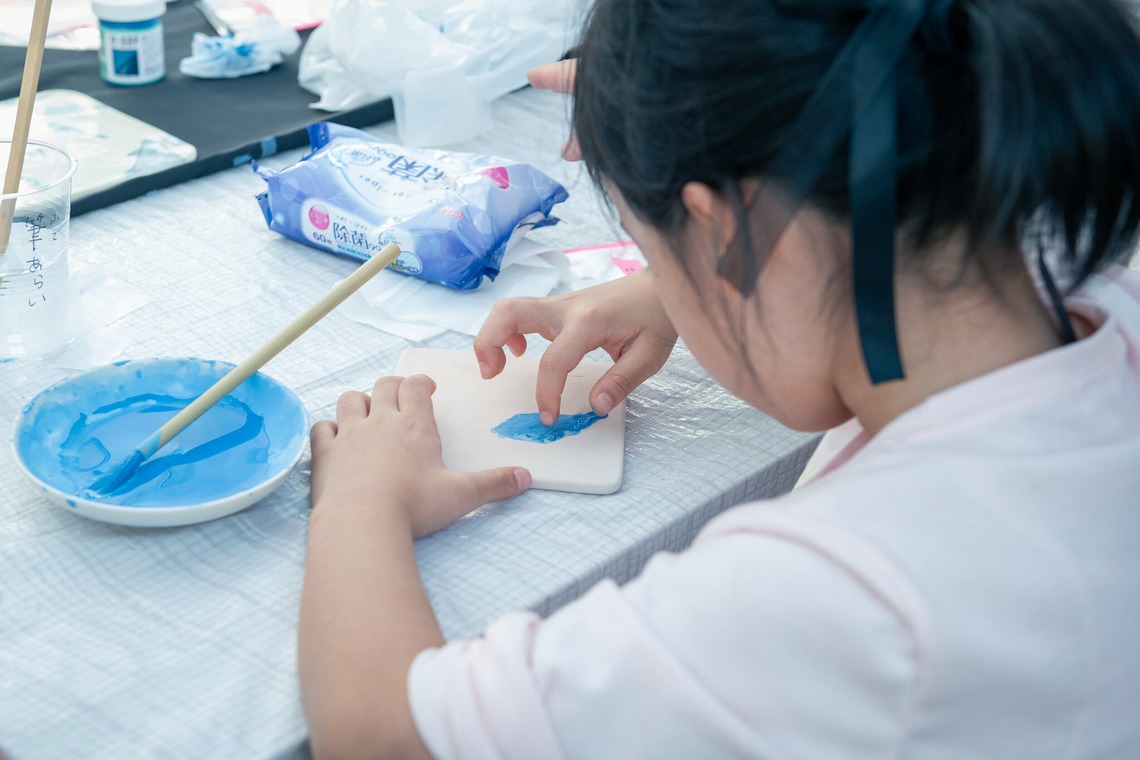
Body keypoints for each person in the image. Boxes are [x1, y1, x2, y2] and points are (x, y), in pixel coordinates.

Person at [297, 0, 1140, 756]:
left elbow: (381, 735)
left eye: (649, 245)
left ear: (738, 230)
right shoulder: (1098, 300)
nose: (659, 279)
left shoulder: (845, 594)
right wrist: (688, 278)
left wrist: (361, 498)